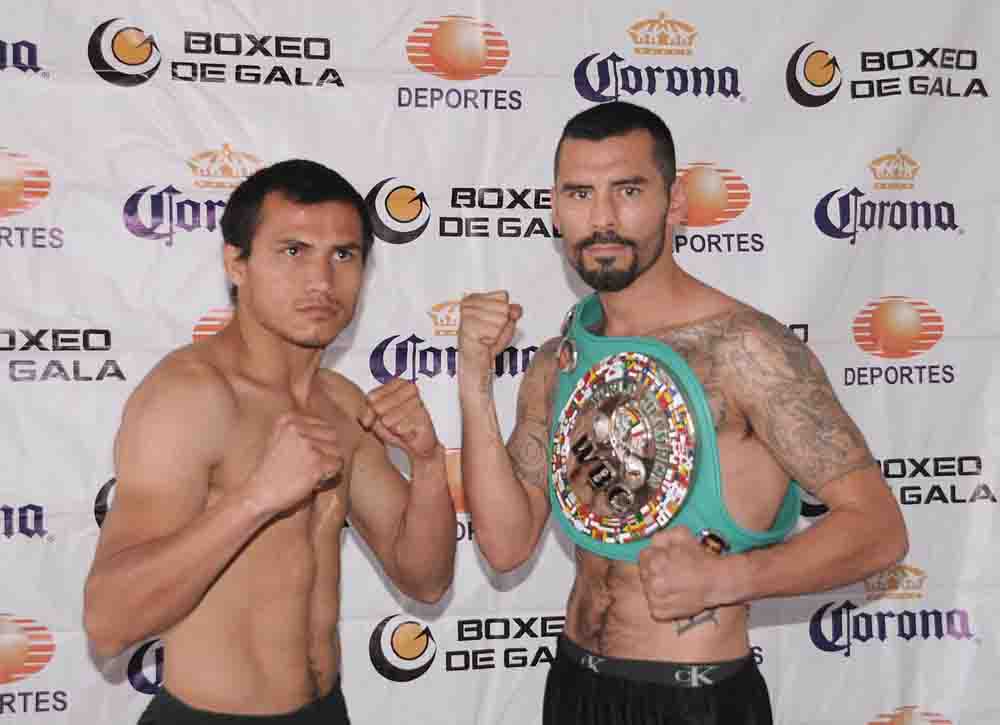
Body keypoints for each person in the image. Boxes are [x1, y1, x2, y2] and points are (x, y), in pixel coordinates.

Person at [457, 102, 907, 724]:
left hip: (694, 699)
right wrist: (473, 382)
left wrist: (725, 581)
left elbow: (879, 531)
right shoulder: (556, 363)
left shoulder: (746, 350)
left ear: (674, 204)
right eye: (580, 193)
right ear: (556, 210)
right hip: (574, 687)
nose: (602, 218)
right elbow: (506, 545)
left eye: (628, 191)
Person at [83, 159, 456, 724]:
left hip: (324, 711)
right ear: (237, 263)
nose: (321, 281)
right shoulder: (191, 398)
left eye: (343, 255)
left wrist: (426, 464)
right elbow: (108, 623)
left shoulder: (341, 403)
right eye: (293, 251)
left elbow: (425, 579)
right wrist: (256, 497)